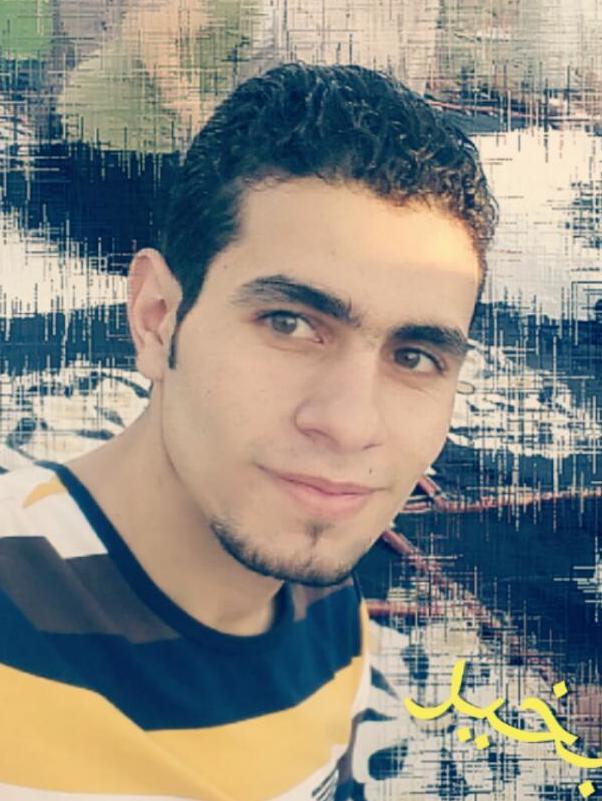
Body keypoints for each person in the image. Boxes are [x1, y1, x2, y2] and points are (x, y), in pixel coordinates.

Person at [0, 63, 497, 800]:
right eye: (289, 323)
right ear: (156, 318)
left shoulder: (330, 612)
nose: (350, 425)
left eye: (415, 356)